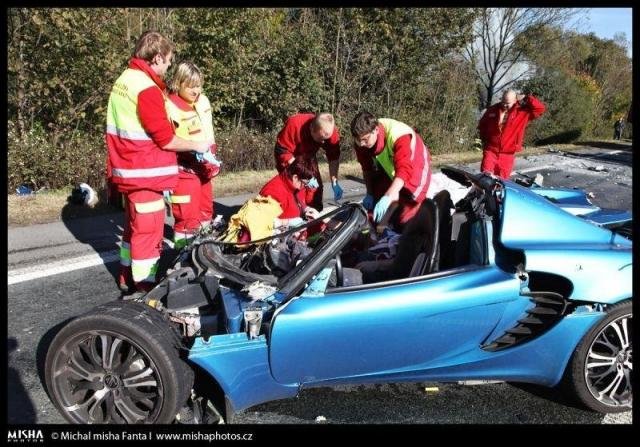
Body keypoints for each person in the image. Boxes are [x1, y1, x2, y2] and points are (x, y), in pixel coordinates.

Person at [106, 31, 210, 293]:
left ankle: (125, 274)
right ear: (158, 57)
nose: (168, 68)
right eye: (168, 62)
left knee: (133, 230)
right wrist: (197, 145)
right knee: (149, 234)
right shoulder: (146, 89)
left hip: (128, 169)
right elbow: (165, 139)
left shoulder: (125, 80)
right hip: (145, 171)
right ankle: (143, 286)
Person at [165, 61, 221, 250]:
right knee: (187, 219)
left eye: (198, 85)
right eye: (190, 86)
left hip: (205, 167)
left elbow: (208, 132)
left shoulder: (203, 101)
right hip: (184, 169)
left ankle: (204, 252)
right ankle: (183, 257)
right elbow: (167, 140)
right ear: (178, 83)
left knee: (206, 212)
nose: (195, 90)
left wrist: (212, 157)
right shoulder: (169, 105)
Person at [350, 111, 432, 230]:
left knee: (407, 210)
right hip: (393, 165)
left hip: (415, 164)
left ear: (376, 130)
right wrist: (370, 193)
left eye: (365, 140)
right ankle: (378, 225)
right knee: (379, 192)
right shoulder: (361, 140)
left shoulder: (400, 136)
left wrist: (389, 196)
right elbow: (367, 168)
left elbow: (404, 170)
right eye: (358, 140)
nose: (361, 144)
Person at [223, 158, 320, 242]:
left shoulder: (296, 185)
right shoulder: (273, 192)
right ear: (295, 177)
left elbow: (299, 200)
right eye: (304, 183)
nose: (304, 187)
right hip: (280, 240)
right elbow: (261, 222)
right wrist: (288, 222)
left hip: (297, 233)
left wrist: (305, 209)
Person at [274, 112, 342, 210]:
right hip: (288, 155)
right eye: (320, 139)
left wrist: (334, 182)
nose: (323, 142)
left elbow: (334, 158)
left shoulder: (330, 133)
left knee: (316, 188)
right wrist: (303, 174)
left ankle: (315, 216)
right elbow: (282, 151)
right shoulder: (295, 124)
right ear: (311, 129)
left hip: (307, 155)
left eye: (326, 139)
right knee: (297, 188)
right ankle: (294, 215)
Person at [477, 89, 545, 179]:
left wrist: (526, 97)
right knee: (484, 178)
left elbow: (540, 108)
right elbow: (482, 125)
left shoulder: (522, 113)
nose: (504, 105)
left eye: (507, 103)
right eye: (503, 102)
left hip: (507, 155)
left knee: (502, 182)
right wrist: (485, 141)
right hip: (491, 152)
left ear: (515, 101)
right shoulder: (492, 110)